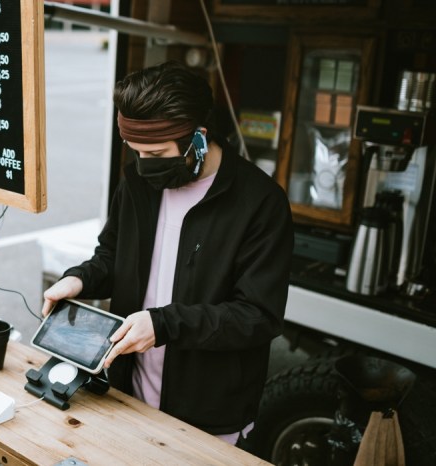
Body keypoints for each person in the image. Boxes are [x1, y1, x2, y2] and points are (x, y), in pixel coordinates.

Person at [42, 61, 293, 445]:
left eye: (156, 152)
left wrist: (163, 324)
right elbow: (112, 255)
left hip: (209, 414)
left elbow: (257, 316)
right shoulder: (138, 183)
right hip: (127, 391)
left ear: (199, 138)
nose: (145, 165)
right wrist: (79, 279)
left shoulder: (260, 203)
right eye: (136, 151)